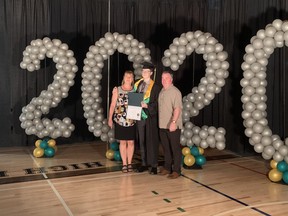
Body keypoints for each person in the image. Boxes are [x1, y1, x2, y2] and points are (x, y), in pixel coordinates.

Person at [134, 61, 161, 174]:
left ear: (151, 73)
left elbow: (157, 103)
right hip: (139, 116)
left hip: (150, 117)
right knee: (142, 141)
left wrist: (147, 105)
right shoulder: (137, 84)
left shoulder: (155, 87)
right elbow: (134, 99)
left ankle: (154, 165)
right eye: (143, 71)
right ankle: (144, 163)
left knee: (152, 140)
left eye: (146, 71)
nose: (144, 73)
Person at [108, 70, 136, 173]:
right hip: (120, 120)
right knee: (123, 142)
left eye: (130, 76)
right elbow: (112, 105)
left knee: (131, 142)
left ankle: (130, 163)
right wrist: (110, 118)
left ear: (132, 79)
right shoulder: (117, 90)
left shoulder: (135, 91)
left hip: (131, 120)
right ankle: (124, 164)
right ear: (123, 78)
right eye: (127, 76)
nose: (128, 78)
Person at [158, 70, 183, 179]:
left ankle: (177, 170)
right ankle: (167, 168)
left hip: (172, 126)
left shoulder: (175, 92)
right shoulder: (162, 91)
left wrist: (173, 122)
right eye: (162, 78)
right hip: (162, 126)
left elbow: (177, 109)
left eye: (166, 78)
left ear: (171, 79)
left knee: (175, 148)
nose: (163, 80)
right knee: (166, 148)